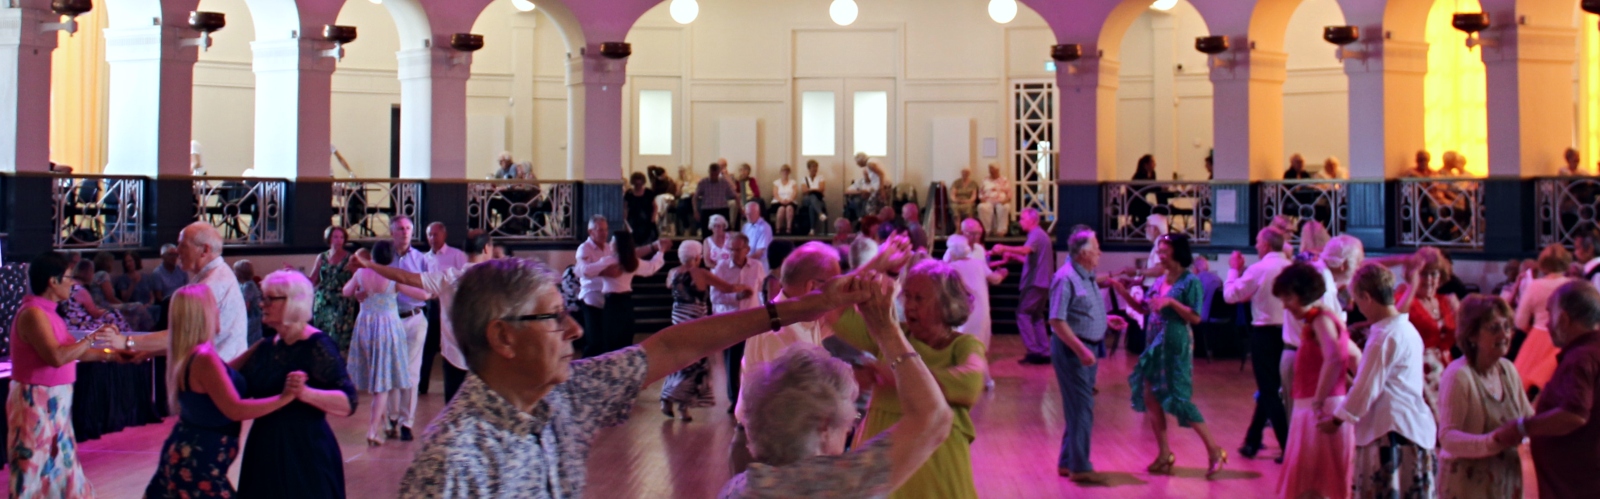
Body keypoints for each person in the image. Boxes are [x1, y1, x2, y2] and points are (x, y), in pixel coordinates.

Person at [397, 256, 875, 497]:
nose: (575, 328)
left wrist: (798, 308)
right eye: (552, 318)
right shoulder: (451, 463)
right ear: (502, 338)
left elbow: (668, 347)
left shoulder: (564, 396)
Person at [724, 276, 954, 498]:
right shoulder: (837, 485)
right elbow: (934, 417)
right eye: (847, 422)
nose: (848, 431)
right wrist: (888, 330)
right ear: (824, 426)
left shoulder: (738, 488)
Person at [826, 259, 984, 498]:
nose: (909, 306)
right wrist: (879, 263)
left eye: (919, 299)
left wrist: (897, 374)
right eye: (907, 296)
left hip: (939, 465)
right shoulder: (891, 336)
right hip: (884, 465)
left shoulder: (963, 345)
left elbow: (969, 385)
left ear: (945, 304)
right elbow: (834, 309)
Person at [144, 285, 304, 499]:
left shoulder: (195, 354)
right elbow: (235, 409)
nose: (219, 312)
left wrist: (259, 348)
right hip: (197, 461)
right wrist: (285, 398)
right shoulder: (203, 358)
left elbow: (224, 375)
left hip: (189, 454)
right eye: (214, 307)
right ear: (202, 315)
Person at [1111, 233, 1227, 478]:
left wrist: (1171, 303)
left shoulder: (1190, 281)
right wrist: (1124, 292)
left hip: (1176, 344)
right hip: (1154, 343)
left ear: (1178, 252)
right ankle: (1164, 454)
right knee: (1151, 397)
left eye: (1165, 251)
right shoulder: (1162, 279)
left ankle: (1215, 451)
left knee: (1180, 399)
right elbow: (1146, 308)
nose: (1161, 255)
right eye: (1160, 250)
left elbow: (1195, 317)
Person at [728, 241, 850, 474]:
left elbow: (839, 318)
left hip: (780, 447)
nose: (839, 295)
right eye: (835, 286)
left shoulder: (804, 317)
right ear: (813, 286)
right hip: (766, 454)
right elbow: (793, 409)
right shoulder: (780, 329)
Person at [236, 270, 358, 498]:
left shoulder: (316, 345)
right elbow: (237, 386)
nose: (262, 304)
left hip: (305, 451)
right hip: (264, 449)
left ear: (292, 302)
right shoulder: (265, 347)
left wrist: (306, 393)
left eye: (269, 299)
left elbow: (348, 402)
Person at [1320, 263, 1438, 498]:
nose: (1359, 308)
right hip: (1412, 424)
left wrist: (1336, 420)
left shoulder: (1383, 336)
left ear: (1367, 296)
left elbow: (1367, 388)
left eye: (1359, 301)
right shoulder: (1406, 328)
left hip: (1391, 428)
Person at [7, 252, 120, 497]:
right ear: (53, 281)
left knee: (63, 470)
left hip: (55, 403)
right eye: (69, 278)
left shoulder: (50, 313)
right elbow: (56, 356)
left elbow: (71, 353)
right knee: (32, 470)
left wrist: (112, 355)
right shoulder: (33, 314)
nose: (74, 283)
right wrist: (93, 337)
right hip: (34, 401)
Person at [1508, 281, 1600, 499]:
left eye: (1551, 316)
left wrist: (1522, 428)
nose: (1548, 325)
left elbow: (1574, 414)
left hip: (1578, 483)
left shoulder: (1582, 357)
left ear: (1565, 319)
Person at [1048, 227, 1126, 482]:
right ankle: (1080, 467)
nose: (1100, 253)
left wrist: (1105, 320)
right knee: (1082, 407)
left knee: (1079, 406)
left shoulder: (1087, 276)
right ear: (1082, 253)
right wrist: (1081, 350)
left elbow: (1081, 311)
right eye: (1096, 249)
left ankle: (1067, 461)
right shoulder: (1066, 277)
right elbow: (1057, 321)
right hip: (1074, 351)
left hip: (1089, 348)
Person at [1436, 294, 1533, 499]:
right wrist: (1493, 441)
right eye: (1494, 328)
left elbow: (1527, 416)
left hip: (1505, 480)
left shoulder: (1507, 370)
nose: (1505, 335)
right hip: (1467, 485)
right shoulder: (1459, 375)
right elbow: (1448, 438)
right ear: (1472, 335)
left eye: (1507, 327)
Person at [1272, 263, 1355, 499]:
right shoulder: (1321, 318)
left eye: (1288, 296)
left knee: (1312, 482)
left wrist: (1318, 401)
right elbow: (1352, 356)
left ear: (1303, 293)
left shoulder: (1320, 318)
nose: (1285, 305)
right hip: (1319, 404)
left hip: (1316, 408)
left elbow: (1335, 357)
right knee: (1317, 483)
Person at [343, 241, 429, 446]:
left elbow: (346, 291)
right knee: (383, 381)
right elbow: (422, 295)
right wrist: (431, 290)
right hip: (386, 328)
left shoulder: (361, 273)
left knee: (376, 379)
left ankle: (384, 425)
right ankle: (373, 430)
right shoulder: (391, 276)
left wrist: (359, 293)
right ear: (390, 258)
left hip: (366, 326)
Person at [659, 240, 749, 421]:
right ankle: (678, 403)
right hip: (694, 322)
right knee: (694, 362)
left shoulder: (672, 273)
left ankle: (670, 400)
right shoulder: (701, 274)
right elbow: (727, 287)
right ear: (697, 256)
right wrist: (744, 288)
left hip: (677, 320)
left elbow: (670, 286)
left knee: (680, 360)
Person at [1224, 226, 1293, 460]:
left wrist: (1233, 270)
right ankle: (1252, 441)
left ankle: (1288, 446)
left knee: (1269, 390)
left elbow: (1231, 295)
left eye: (1257, 241)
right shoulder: (1293, 268)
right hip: (1290, 335)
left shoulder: (1260, 268)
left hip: (1264, 335)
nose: (1255, 245)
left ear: (1265, 245)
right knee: (1270, 388)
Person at [1397, 247, 1461, 419]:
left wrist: (1460, 314)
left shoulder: (1445, 301)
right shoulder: (1405, 298)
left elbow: (1459, 339)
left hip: (1446, 368)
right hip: (1419, 371)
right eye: (1424, 274)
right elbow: (1395, 321)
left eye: (1434, 274)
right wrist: (1413, 286)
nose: (1430, 280)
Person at [385, 217, 431, 442]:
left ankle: (406, 422)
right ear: (392, 232)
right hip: (390, 319)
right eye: (400, 228)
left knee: (411, 372)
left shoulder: (421, 259)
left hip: (414, 318)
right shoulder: (384, 257)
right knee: (392, 370)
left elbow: (428, 291)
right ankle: (391, 418)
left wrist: (402, 286)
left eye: (408, 228)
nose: (404, 232)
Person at [991, 208, 1055, 365]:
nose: (1020, 222)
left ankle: (1033, 351)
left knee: (1023, 313)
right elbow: (1032, 258)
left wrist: (1005, 248)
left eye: (1022, 219)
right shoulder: (1040, 236)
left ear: (1032, 220)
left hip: (1035, 282)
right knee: (1036, 316)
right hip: (1043, 282)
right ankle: (1044, 350)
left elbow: (1026, 250)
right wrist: (1013, 256)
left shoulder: (1036, 235)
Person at [593, 231, 670, 357]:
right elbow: (652, 267)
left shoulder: (608, 261)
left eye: (612, 241)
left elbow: (585, 271)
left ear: (618, 245)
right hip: (626, 303)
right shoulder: (632, 262)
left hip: (612, 303)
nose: (610, 243)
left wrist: (601, 272)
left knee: (611, 339)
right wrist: (660, 252)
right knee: (625, 339)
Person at [713, 233, 767, 412]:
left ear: (747, 249)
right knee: (732, 361)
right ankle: (734, 400)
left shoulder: (757, 266)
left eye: (738, 250)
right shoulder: (721, 268)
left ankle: (753, 397)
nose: (734, 254)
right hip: (731, 320)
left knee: (753, 360)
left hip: (752, 320)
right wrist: (736, 296)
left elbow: (760, 291)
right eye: (731, 250)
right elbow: (715, 297)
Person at [1514, 244, 1575, 393]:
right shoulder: (1573, 285)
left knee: (1525, 390)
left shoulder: (1534, 286)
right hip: (1566, 339)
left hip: (1538, 339)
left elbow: (1520, 322)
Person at [944, 235, 1007, 369]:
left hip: (964, 312)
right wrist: (1002, 273)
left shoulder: (951, 268)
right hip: (982, 311)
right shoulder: (978, 264)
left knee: (964, 345)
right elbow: (995, 279)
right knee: (979, 348)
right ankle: (984, 378)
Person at [420, 222, 467, 396]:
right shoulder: (425, 258)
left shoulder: (456, 255)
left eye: (436, 234)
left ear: (444, 235)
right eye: (430, 235)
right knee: (427, 346)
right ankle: (422, 385)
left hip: (450, 304)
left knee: (451, 345)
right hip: (431, 305)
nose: (432, 238)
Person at [311, 226, 359, 355]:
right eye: (335, 237)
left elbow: (358, 278)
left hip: (342, 302)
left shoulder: (350, 258)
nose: (339, 240)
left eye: (341, 237)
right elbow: (313, 280)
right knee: (321, 337)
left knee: (338, 339)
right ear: (329, 238)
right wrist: (295, 274)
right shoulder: (322, 257)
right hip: (323, 301)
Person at [695, 163, 738, 237]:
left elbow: (735, 195)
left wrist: (740, 208)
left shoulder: (724, 182)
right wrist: (695, 211)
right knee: (706, 234)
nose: (713, 177)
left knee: (725, 234)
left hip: (721, 209)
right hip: (707, 210)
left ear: (718, 173)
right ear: (709, 172)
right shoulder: (703, 182)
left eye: (715, 175)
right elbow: (695, 197)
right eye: (712, 175)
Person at [977, 164, 1012, 237]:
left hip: (1001, 201)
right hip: (988, 200)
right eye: (991, 171)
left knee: (1005, 207)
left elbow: (1009, 193)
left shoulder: (1004, 180)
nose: (992, 172)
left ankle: (1001, 231)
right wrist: (981, 198)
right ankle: (986, 230)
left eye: (994, 171)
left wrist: (1006, 200)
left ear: (998, 171)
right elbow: (981, 192)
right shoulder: (985, 180)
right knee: (982, 207)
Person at [624, 172, 659, 244]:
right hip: (633, 222)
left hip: (647, 221)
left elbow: (655, 207)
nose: (638, 186)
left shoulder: (649, 193)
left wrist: (653, 219)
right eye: (636, 184)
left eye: (640, 184)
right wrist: (625, 221)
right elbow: (625, 207)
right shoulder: (629, 193)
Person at [235, 259, 264, 345]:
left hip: (252, 318)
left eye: (235, 271)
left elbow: (245, 307)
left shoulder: (249, 286)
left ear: (240, 273)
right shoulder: (243, 284)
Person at [742, 202, 774, 274]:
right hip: (747, 264)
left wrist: (742, 260)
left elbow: (759, 253)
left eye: (751, 214)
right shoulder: (745, 226)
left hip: (760, 265)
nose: (749, 216)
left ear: (758, 212)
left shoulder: (765, 228)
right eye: (747, 214)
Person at [799, 159, 827, 236]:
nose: (815, 169)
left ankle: (812, 229)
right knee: (812, 196)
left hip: (819, 200)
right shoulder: (804, 179)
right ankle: (820, 213)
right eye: (813, 167)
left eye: (816, 167)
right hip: (807, 200)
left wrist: (811, 190)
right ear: (809, 168)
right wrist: (815, 190)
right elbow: (804, 191)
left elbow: (821, 189)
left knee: (812, 206)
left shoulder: (821, 177)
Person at [772, 165, 798, 235]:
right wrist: (781, 200)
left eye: (786, 171)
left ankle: (788, 229)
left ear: (789, 172)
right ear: (780, 172)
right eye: (783, 171)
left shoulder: (793, 182)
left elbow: (795, 193)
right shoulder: (776, 182)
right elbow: (775, 194)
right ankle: (778, 229)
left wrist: (790, 200)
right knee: (781, 209)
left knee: (789, 208)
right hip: (778, 202)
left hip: (790, 201)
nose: (785, 173)